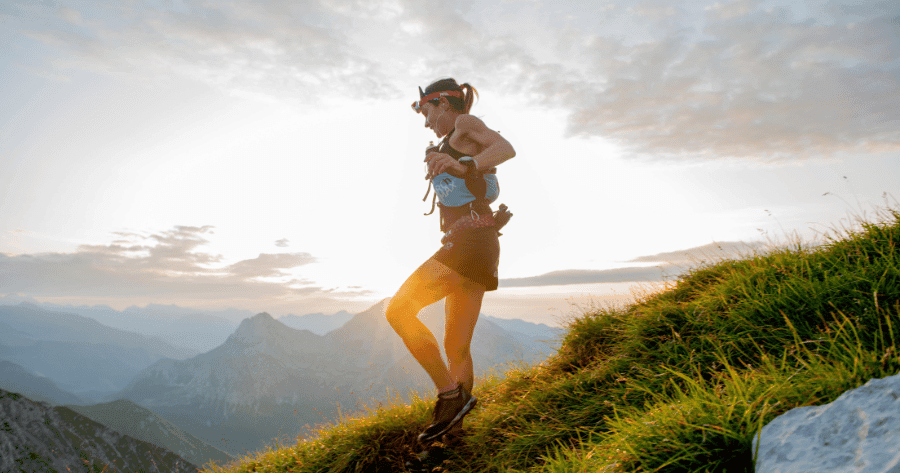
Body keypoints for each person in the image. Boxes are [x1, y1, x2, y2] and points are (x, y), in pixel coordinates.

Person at [385, 78, 516, 444]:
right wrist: (451, 163)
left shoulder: (465, 124)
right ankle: (452, 435)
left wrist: (463, 166)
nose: (425, 122)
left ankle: (449, 395)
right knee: (456, 346)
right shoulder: (446, 141)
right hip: (481, 244)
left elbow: (506, 148)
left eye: (426, 112)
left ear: (443, 103)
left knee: (397, 311)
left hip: (469, 243)